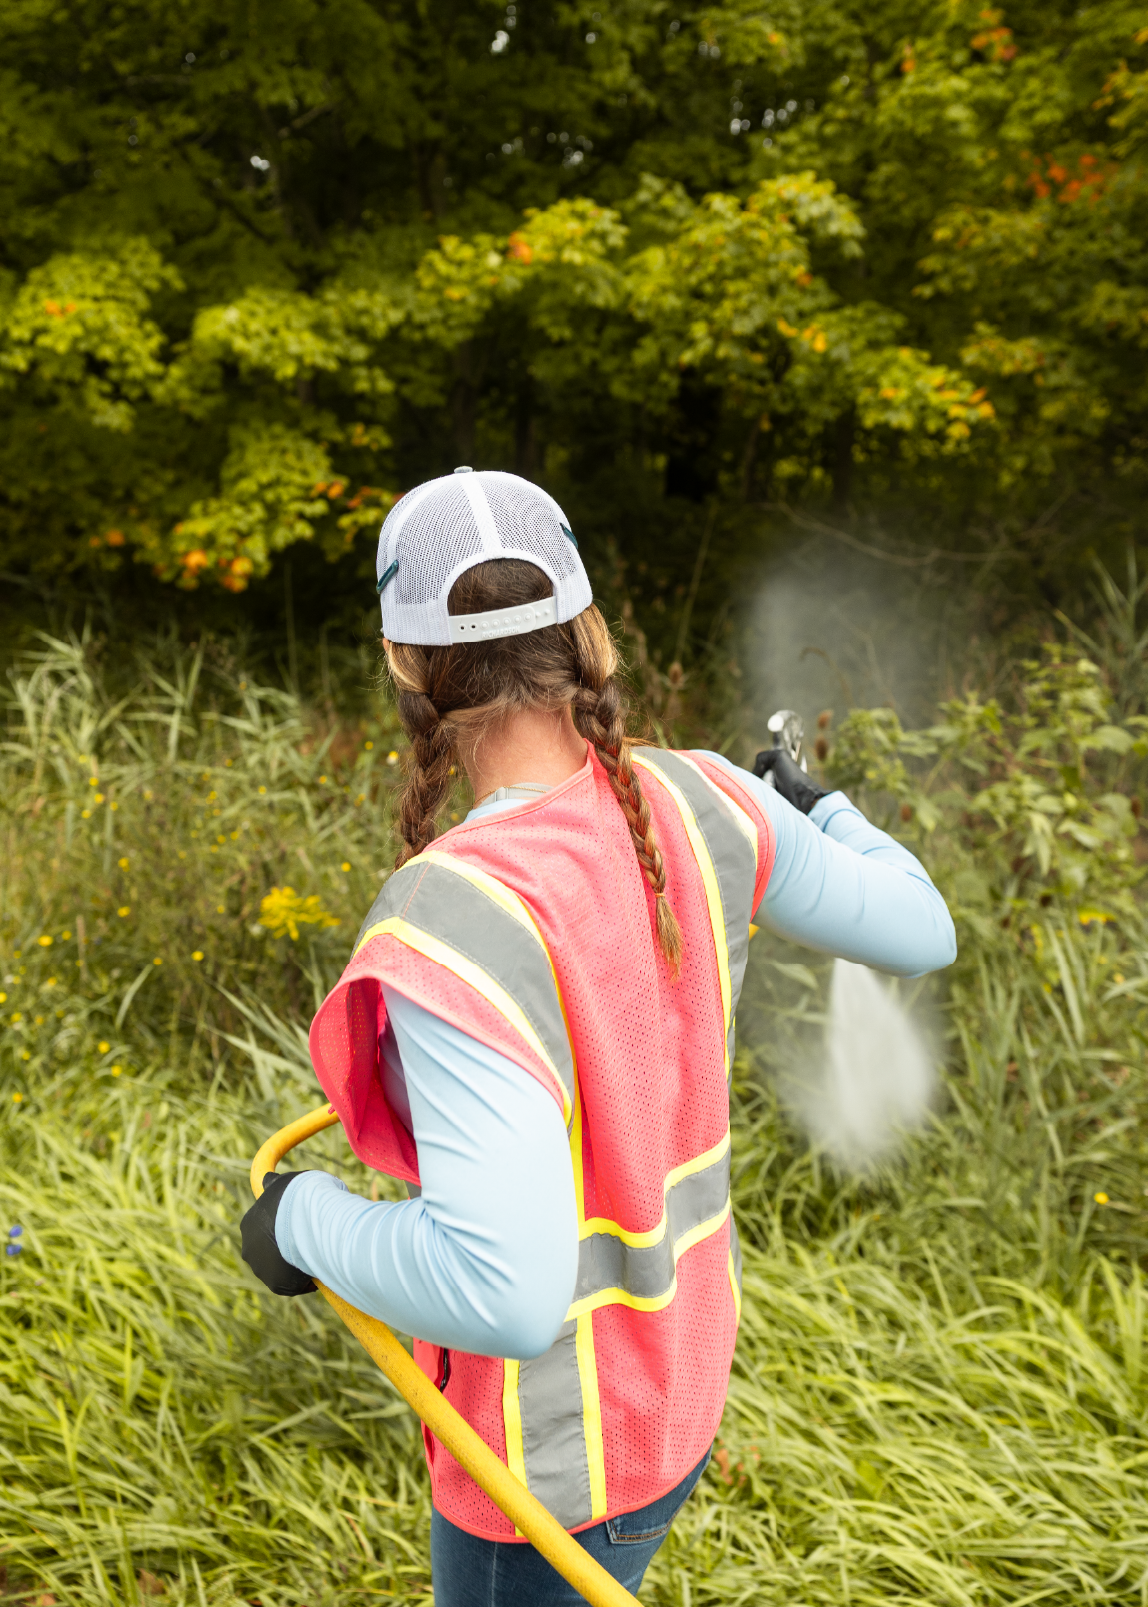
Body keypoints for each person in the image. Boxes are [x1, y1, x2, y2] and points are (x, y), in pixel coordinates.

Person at [241, 468, 956, 1605]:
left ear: (402, 663)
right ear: (586, 629)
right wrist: (814, 805)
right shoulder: (711, 800)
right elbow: (920, 929)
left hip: (551, 1475)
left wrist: (304, 1220)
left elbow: (503, 1294)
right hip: (675, 1402)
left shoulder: (453, 918)